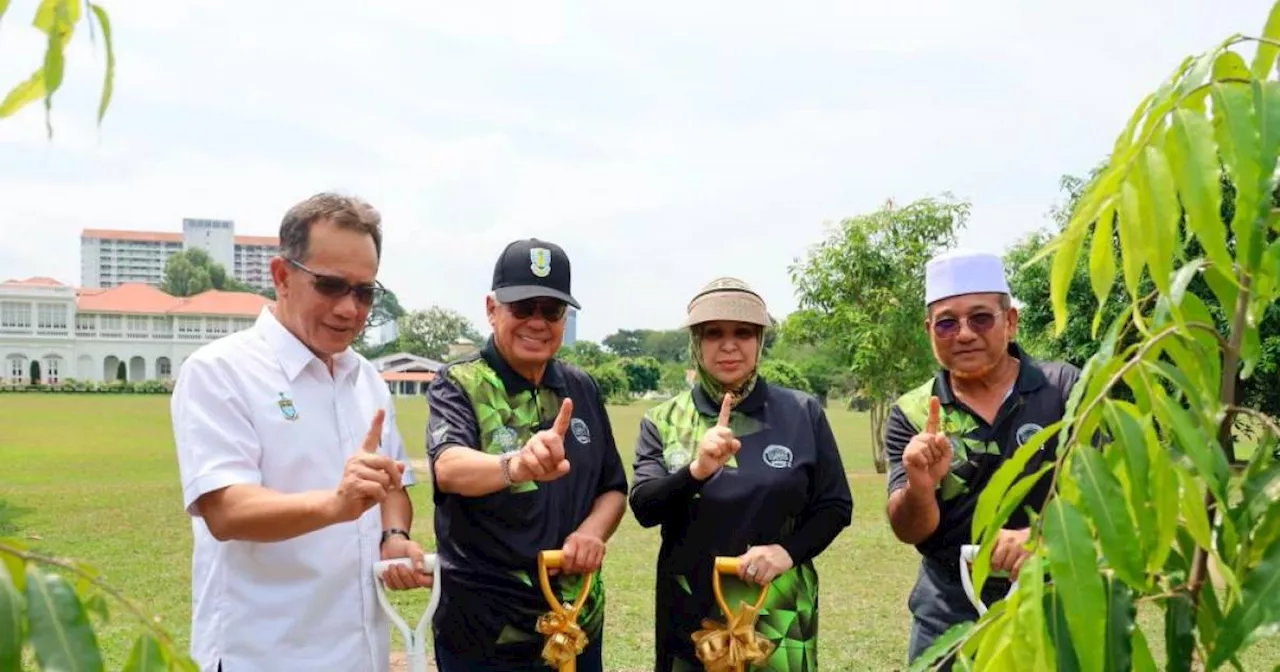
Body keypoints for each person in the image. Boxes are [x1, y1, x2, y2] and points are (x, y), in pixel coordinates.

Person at [170, 193, 433, 672]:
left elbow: (392, 485)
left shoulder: (365, 378)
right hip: (264, 652)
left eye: (365, 292)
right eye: (331, 286)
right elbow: (226, 510)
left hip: (361, 652)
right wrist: (337, 504)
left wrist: (393, 534)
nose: (350, 309)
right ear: (281, 276)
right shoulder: (220, 371)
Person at [629, 277, 854, 672]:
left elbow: (835, 506)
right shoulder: (662, 419)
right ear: (695, 342)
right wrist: (696, 471)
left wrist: (786, 553)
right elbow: (646, 508)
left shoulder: (802, 413)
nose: (729, 345)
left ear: (760, 341)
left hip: (781, 613)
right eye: (713, 333)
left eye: (743, 333)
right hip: (690, 616)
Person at [425, 238, 628, 672]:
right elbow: (449, 467)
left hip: (575, 621)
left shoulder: (582, 387)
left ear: (564, 318)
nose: (537, 322)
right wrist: (513, 465)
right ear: (492, 308)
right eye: (522, 306)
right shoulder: (460, 383)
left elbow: (612, 487)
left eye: (550, 310)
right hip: (485, 630)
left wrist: (591, 533)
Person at [884, 249, 1082, 667]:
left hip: (1050, 596)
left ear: (1010, 322)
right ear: (929, 331)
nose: (964, 334)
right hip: (947, 611)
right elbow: (909, 529)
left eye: (980, 318)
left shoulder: (1062, 389)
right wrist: (921, 484)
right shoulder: (914, 411)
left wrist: (1043, 538)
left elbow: (1105, 495)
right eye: (947, 323)